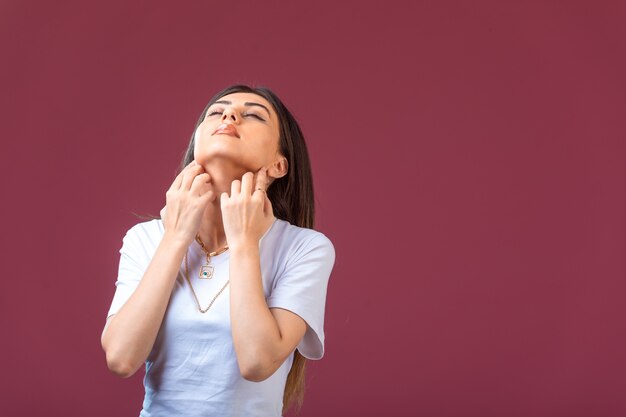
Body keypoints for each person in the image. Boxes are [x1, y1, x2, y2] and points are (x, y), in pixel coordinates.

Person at [101, 84, 335, 417]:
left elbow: (256, 362)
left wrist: (244, 242)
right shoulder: (145, 238)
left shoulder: (305, 248)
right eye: (216, 111)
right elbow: (121, 358)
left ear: (279, 165)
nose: (229, 115)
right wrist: (176, 236)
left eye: (253, 115)